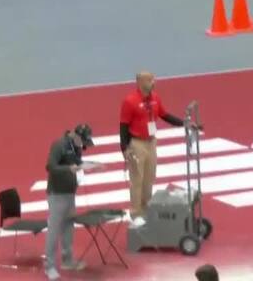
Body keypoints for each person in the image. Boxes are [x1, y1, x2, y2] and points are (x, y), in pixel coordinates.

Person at [119, 72, 188, 228]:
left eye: (153, 79)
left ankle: (146, 210)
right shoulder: (130, 101)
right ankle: (136, 213)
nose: (153, 82)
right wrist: (124, 148)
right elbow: (123, 126)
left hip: (151, 142)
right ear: (140, 82)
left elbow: (165, 115)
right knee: (137, 180)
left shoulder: (155, 98)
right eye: (150, 80)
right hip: (136, 144)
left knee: (149, 178)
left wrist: (183, 123)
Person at [44, 124, 102, 280]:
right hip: (57, 194)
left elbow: (78, 162)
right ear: (76, 136)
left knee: (68, 228)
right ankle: (49, 266)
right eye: (82, 142)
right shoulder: (59, 145)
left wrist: (92, 166)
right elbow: (50, 167)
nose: (83, 146)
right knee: (54, 230)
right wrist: (69, 169)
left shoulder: (76, 146)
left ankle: (67, 260)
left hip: (70, 193)